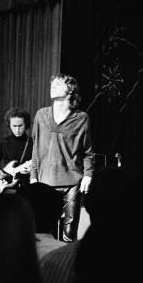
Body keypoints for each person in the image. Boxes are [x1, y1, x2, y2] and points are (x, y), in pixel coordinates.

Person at [30, 74, 95, 242]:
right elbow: (36, 150)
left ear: (70, 91)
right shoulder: (41, 115)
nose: (53, 86)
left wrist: (88, 174)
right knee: (44, 233)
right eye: (53, 83)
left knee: (68, 235)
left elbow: (87, 151)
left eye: (59, 84)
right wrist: (33, 176)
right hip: (45, 182)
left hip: (71, 182)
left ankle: (65, 266)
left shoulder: (81, 118)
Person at [0, 107, 33, 192]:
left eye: (20, 126)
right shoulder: (4, 143)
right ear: (9, 125)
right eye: (14, 126)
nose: (17, 129)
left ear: (26, 124)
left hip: (27, 188)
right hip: (7, 189)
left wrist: (31, 171)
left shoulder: (33, 144)